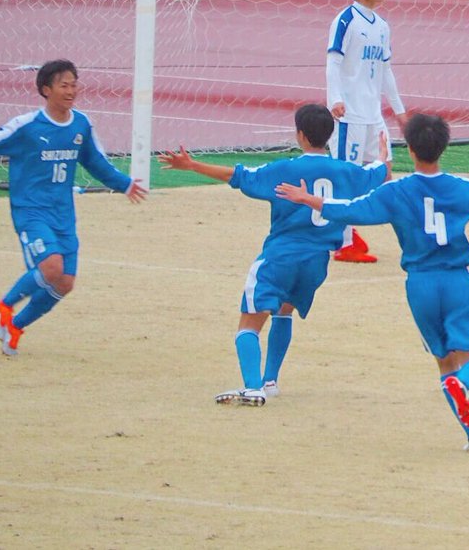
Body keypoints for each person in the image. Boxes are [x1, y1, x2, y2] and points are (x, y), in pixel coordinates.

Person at [277, 113, 469, 453]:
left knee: (444, 362)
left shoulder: (396, 192)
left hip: (420, 286)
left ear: (409, 149)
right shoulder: (464, 189)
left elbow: (352, 210)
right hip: (457, 282)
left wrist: (311, 200)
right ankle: (463, 393)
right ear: (444, 147)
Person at [160, 103, 388, 406]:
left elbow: (238, 175)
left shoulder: (286, 169)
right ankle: (270, 381)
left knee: (249, 324)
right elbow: (378, 171)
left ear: (301, 135)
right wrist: (383, 153)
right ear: (329, 136)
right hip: (317, 262)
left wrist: (193, 166)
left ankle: (252, 387)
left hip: (281, 257)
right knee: (283, 312)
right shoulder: (348, 172)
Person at [0, 60, 148, 357]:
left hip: (63, 214)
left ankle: (15, 325)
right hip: (31, 211)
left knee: (65, 282)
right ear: (45, 89)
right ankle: (4, 305)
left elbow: (96, 162)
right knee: (51, 267)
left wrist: (125, 184)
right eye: (64, 85)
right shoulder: (26, 127)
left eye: (74, 84)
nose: (71, 90)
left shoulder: (81, 125)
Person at [326, 0, 409, 262]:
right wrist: (335, 98)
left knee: (384, 171)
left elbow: (386, 70)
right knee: (347, 176)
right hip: (349, 115)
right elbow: (333, 62)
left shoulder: (383, 27)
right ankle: (343, 241)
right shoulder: (345, 21)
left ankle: (407, 235)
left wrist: (398, 110)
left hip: (374, 115)